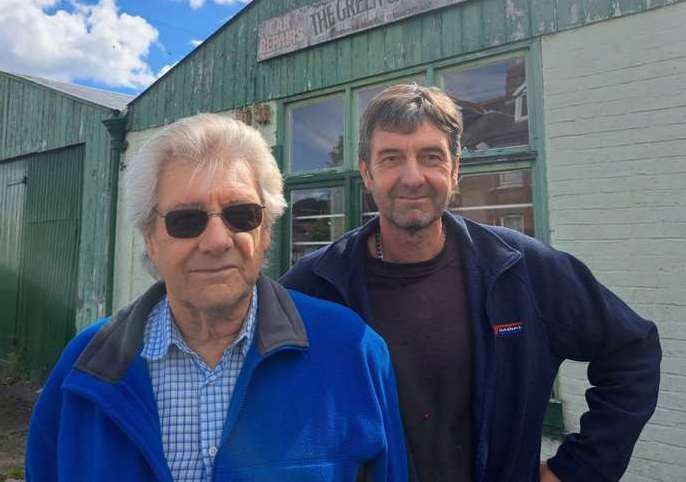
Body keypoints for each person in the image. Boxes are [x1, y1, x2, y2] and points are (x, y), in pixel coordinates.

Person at [281, 84, 662, 482]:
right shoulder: (316, 285)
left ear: (456, 169)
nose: (413, 177)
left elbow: (633, 350)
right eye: (392, 158)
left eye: (431, 157)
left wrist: (579, 469)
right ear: (367, 173)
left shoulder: (520, 269)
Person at [25, 114, 407, 482]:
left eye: (241, 215)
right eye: (186, 220)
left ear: (267, 231)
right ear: (150, 238)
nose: (217, 241)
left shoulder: (353, 353)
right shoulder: (84, 366)